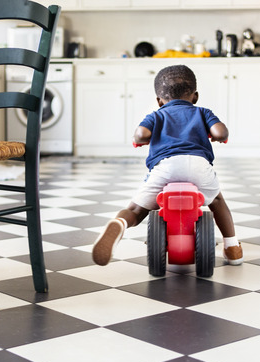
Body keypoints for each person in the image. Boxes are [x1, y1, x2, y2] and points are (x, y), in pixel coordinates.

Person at [91, 64, 243, 267]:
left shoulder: (156, 115)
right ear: (195, 97)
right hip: (199, 167)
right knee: (217, 201)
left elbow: (141, 134)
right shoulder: (203, 112)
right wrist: (214, 135)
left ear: (159, 101)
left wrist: (142, 140)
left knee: (136, 209)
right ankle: (232, 247)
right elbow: (220, 133)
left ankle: (119, 224)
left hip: (165, 168)